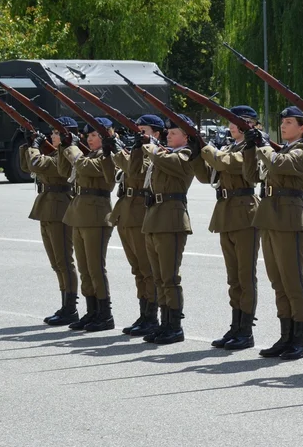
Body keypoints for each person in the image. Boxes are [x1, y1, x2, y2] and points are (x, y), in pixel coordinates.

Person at [243, 107, 303, 360]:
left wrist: (263, 145)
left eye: (288, 122)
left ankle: (300, 339)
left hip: (291, 218)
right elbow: (251, 175)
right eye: (281, 122)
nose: (283, 126)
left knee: (293, 281)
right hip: (271, 216)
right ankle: (285, 336)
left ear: (302, 128)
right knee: (278, 282)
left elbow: (279, 164)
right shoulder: (280, 149)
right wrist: (250, 148)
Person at [196, 106, 262, 351]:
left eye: (236, 122)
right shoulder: (228, 148)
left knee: (245, 276)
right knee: (233, 277)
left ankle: (246, 330)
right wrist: (196, 153)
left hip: (245, 213)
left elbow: (223, 163)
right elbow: (207, 176)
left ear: (250, 124)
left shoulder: (250, 149)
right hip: (226, 212)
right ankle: (235, 326)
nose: (231, 126)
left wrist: (203, 146)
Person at [140, 114, 197, 344]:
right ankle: (164, 324)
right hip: (154, 216)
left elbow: (173, 164)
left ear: (185, 136)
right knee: (158, 277)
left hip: (172, 218)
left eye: (174, 133)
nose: (168, 135)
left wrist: (151, 148)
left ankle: (174, 326)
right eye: (168, 132)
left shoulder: (186, 153)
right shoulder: (163, 153)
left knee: (170, 277)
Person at [61, 117, 117, 332]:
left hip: (96, 215)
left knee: (95, 267)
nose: (91, 139)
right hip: (80, 214)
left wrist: (72, 149)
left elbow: (84, 167)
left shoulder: (107, 156)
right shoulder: (91, 155)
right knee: (85, 268)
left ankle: (105, 314)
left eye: (95, 135)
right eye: (89, 135)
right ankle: (91, 310)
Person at [22, 117, 79, 325]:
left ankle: (70, 307)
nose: (51, 136)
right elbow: (27, 166)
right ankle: (65, 304)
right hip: (47, 208)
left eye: (56, 133)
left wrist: (35, 148)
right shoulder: (55, 152)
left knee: (64, 260)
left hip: (60, 208)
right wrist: (27, 143)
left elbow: (38, 164)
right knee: (56, 263)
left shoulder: (67, 155)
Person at [110, 115, 161, 336]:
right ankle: (143, 313)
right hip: (126, 212)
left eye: (144, 130)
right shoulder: (137, 150)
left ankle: (152, 316)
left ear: (156, 134)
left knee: (147, 268)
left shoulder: (158, 153)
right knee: (137, 269)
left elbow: (135, 169)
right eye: (137, 130)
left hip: (141, 212)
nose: (139, 133)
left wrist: (125, 151)